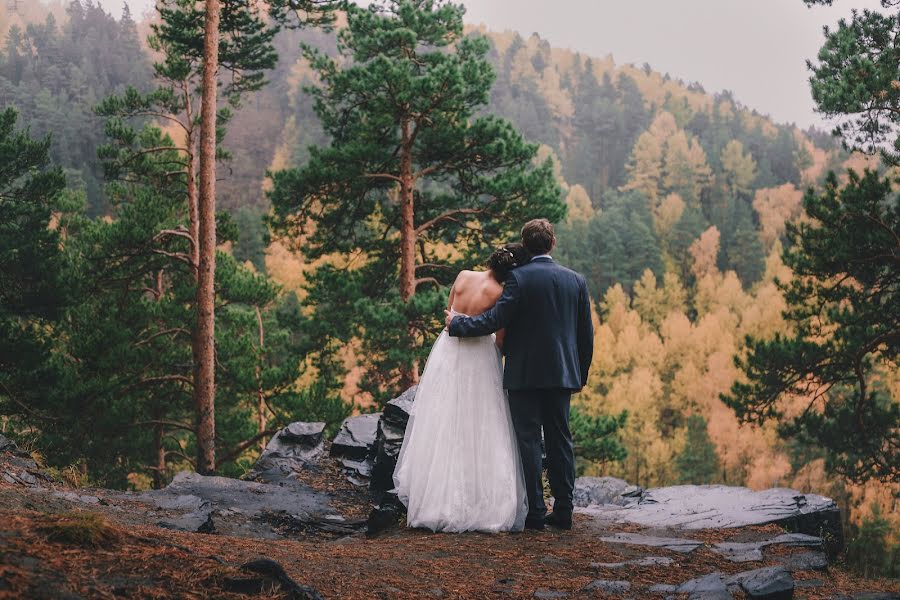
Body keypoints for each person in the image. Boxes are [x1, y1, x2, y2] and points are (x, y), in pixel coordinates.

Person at [445, 219, 594, 531]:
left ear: (526, 245)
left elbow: (495, 319)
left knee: (528, 441)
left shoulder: (518, 279)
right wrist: (581, 373)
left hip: (524, 372)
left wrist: (458, 325)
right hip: (561, 373)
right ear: (552, 244)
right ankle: (564, 511)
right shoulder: (575, 280)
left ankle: (536, 513)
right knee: (560, 440)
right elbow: (585, 334)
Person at [393, 244, 532, 533]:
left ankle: (433, 496)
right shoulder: (499, 293)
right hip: (479, 357)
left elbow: (449, 313)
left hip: (448, 351)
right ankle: (477, 499)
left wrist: (456, 323)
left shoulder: (463, 275)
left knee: (442, 418)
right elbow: (500, 339)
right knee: (480, 424)